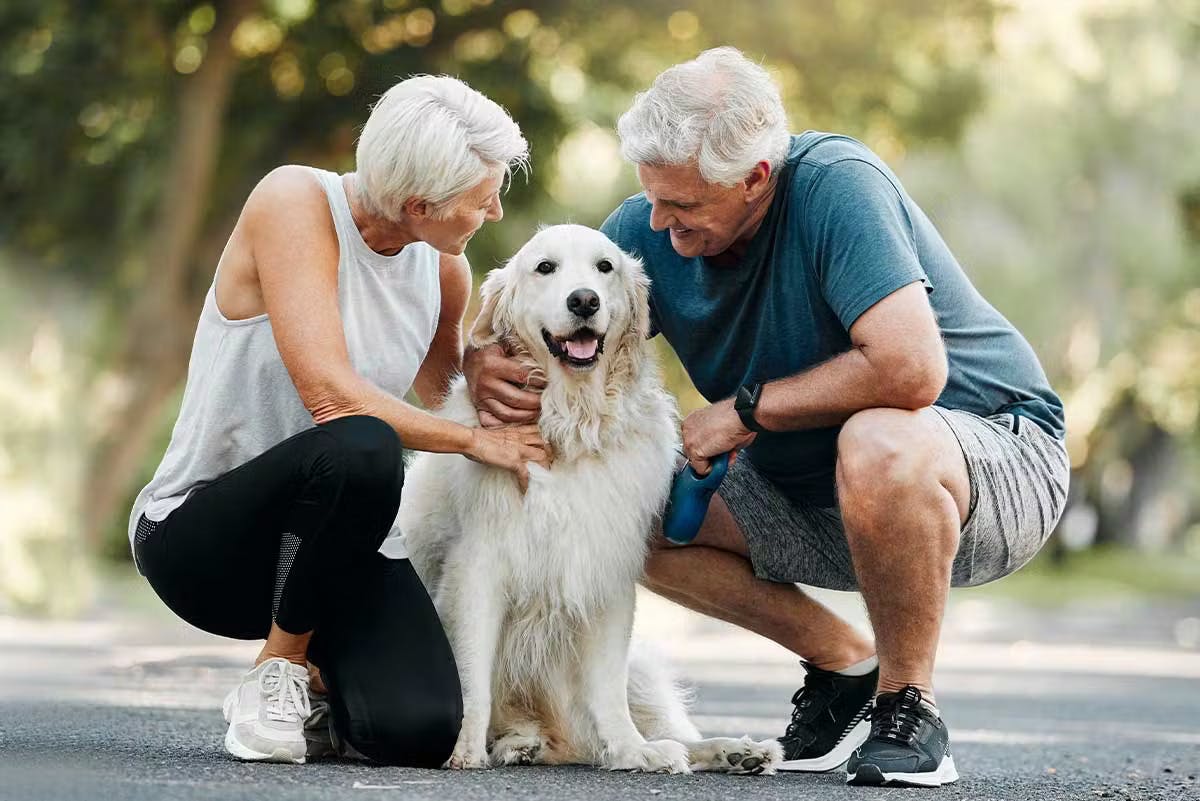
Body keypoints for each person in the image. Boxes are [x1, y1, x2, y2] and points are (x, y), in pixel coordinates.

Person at [465, 48, 1068, 788]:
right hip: (816, 488)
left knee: (879, 439)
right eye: (652, 197)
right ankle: (845, 663)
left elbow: (912, 370)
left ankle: (909, 706)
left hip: (989, 464)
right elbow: (550, 305)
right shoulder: (651, 224)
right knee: (633, 514)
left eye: (682, 205)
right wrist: (479, 362)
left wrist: (745, 412)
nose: (658, 222)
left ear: (755, 178)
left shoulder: (836, 186)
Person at [127, 75, 550, 766]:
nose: (496, 212)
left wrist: (481, 370)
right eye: (483, 199)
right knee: (362, 443)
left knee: (417, 731)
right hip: (206, 545)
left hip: (337, 550)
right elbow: (332, 394)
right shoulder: (294, 200)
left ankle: (328, 689)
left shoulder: (445, 269)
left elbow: (444, 388)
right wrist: (478, 440)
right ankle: (279, 670)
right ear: (420, 204)